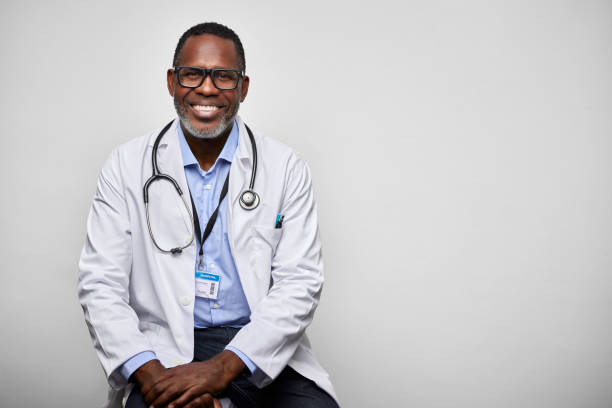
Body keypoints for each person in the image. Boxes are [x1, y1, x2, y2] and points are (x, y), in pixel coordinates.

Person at [77, 22, 339, 408]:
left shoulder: (285, 167)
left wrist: (219, 370)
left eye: (224, 77)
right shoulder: (125, 165)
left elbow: (300, 283)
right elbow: (100, 285)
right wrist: (155, 379)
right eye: (192, 74)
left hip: (256, 345)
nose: (207, 88)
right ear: (172, 82)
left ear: (243, 87)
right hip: (164, 351)